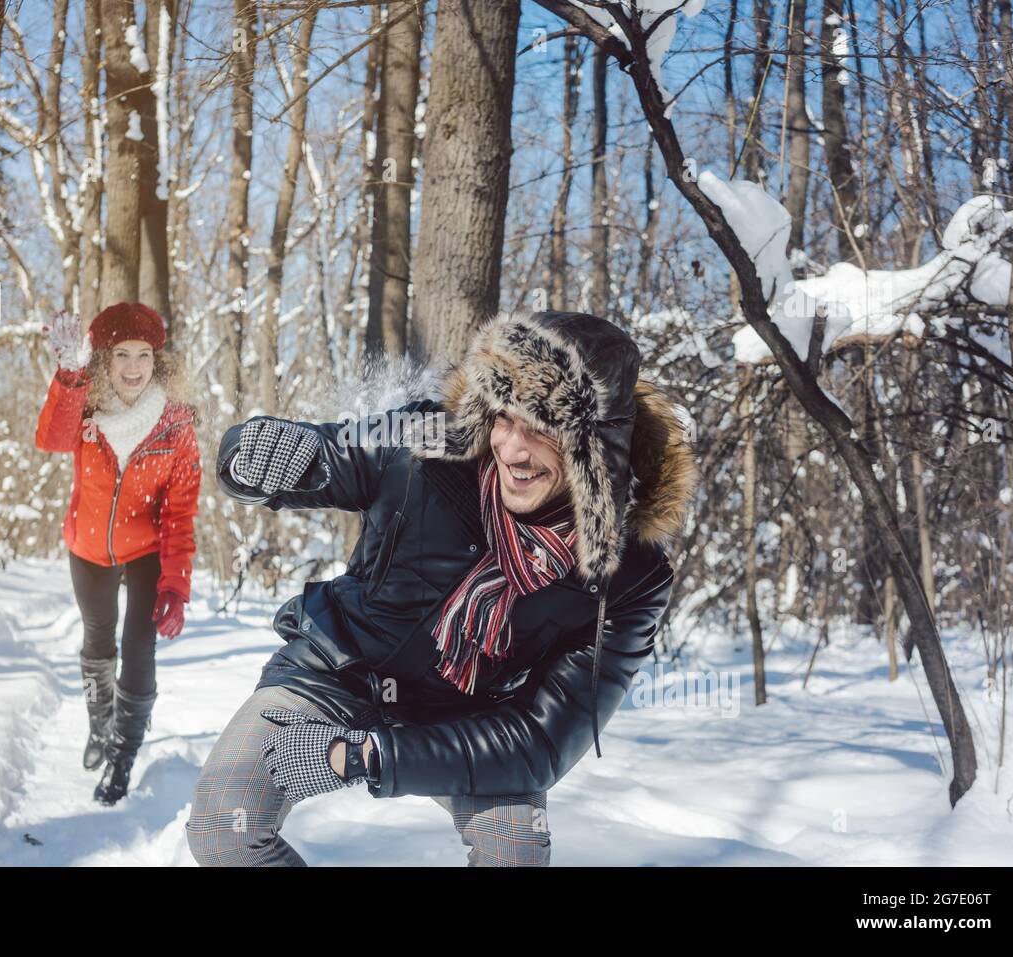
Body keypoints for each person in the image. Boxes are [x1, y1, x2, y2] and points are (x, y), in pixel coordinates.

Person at [185, 309, 698, 866]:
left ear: (596, 445)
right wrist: (253, 455)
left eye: (543, 429)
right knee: (223, 829)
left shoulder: (629, 578)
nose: (514, 451)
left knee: (515, 851)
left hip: (470, 714)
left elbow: (542, 741)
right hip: (334, 670)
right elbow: (328, 454)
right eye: (505, 419)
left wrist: (364, 755)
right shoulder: (427, 441)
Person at [35, 302, 201, 805]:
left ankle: (123, 755)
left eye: (144, 355)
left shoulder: (175, 426)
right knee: (97, 642)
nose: (134, 367)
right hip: (88, 549)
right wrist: (67, 377)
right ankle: (98, 727)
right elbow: (49, 438)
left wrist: (175, 584)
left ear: (158, 361)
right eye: (123, 355)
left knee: (138, 648)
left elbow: (180, 513)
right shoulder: (85, 408)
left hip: (146, 551)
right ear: (104, 361)